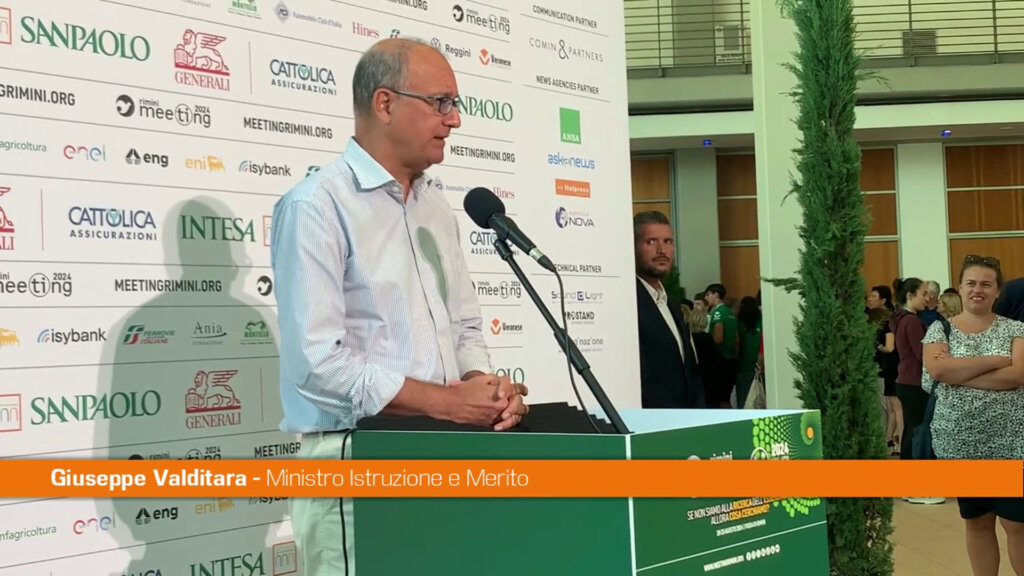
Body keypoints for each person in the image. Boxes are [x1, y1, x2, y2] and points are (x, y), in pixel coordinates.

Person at [270, 38, 529, 576]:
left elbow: (465, 325)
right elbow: (316, 364)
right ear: (385, 104)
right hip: (355, 464)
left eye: (456, 104)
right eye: (440, 102)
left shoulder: (436, 207)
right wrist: (447, 403)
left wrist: (485, 390)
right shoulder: (317, 205)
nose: (454, 119)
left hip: (449, 456)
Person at [922, 255, 1024, 575]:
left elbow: (1018, 375)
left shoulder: (1016, 329)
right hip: (961, 445)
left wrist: (959, 374)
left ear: (998, 291)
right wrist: (996, 360)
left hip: (1011, 443)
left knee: (1017, 523)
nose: (977, 290)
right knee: (977, 521)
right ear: (960, 288)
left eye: (986, 284)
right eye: (971, 283)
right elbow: (938, 370)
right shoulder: (940, 329)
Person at [633, 211, 705, 408]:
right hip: (651, 419)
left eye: (668, 242)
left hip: (687, 419)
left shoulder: (671, 304)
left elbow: (690, 371)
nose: (662, 250)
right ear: (633, 247)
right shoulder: (628, 303)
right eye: (651, 242)